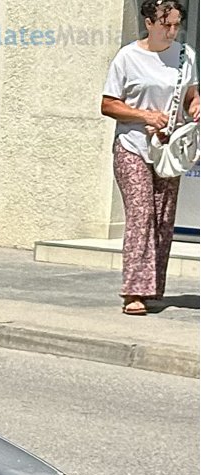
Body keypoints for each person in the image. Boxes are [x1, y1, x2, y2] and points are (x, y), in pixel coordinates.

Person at [101, 0, 199, 315]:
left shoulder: (186, 56)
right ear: (148, 23)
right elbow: (108, 104)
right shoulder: (128, 57)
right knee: (141, 214)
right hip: (132, 146)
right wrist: (143, 115)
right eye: (165, 25)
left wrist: (196, 107)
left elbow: (190, 96)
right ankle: (134, 291)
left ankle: (152, 286)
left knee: (163, 218)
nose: (171, 31)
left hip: (169, 149)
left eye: (175, 25)